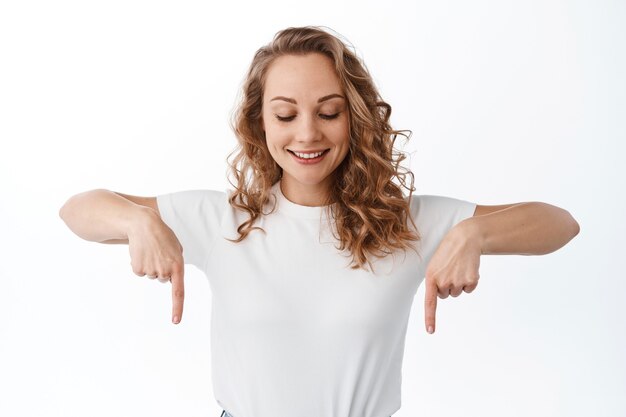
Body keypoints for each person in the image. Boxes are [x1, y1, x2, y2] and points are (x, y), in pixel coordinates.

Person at [59, 26, 580, 417]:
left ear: (354, 117)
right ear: (259, 122)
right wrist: (136, 220)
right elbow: (77, 210)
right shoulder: (222, 221)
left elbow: (560, 224)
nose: (307, 134)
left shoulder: (406, 225)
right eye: (285, 115)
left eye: (329, 112)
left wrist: (475, 231)